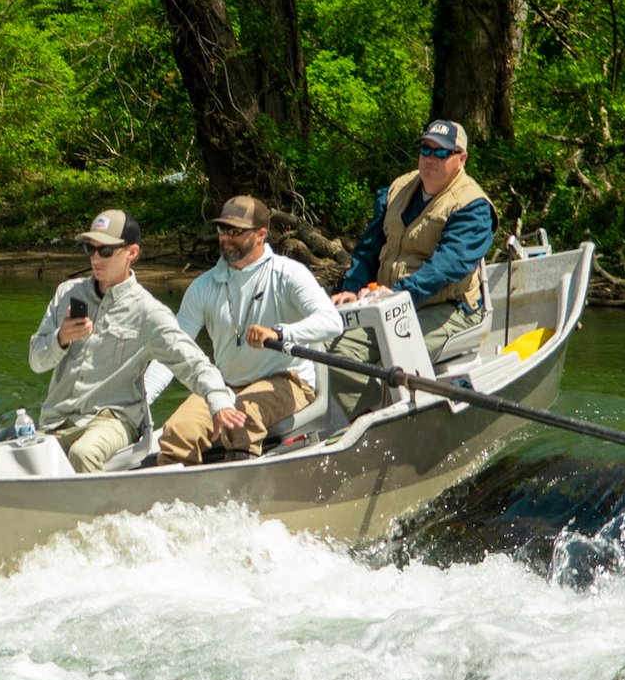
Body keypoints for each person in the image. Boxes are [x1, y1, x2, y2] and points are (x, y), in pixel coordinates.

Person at [28, 208, 245, 473]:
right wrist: (60, 338)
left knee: (83, 453)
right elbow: (36, 362)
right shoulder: (66, 293)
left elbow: (193, 363)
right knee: (18, 457)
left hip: (114, 420)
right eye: (90, 248)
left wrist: (219, 402)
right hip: (55, 421)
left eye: (105, 250)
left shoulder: (149, 313)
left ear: (131, 253)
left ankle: (97, 515)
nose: (96, 257)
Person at [148, 196, 342, 464]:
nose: (225, 238)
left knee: (242, 417)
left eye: (235, 231)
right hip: (226, 385)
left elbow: (332, 321)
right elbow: (174, 351)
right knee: (176, 430)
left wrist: (280, 333)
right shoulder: (203, 287)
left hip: (288, 380)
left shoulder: (288, 274)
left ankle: (241, 496)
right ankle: (172, 499)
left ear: (261, 234)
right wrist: (143, 400)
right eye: (222, 229)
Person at [328, 118, 497, 417]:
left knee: (388, 360)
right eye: (426, 149)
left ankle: (374, 424)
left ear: (461, 158)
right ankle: (352, 415)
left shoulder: (473, 207)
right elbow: (368, 249)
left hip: (449, 307)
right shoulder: (396, 190)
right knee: (327, 343)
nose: (431, 158)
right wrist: (352, 290)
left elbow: (447, 267)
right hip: (385, 302)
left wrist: (395, 294)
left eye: (442, 152)